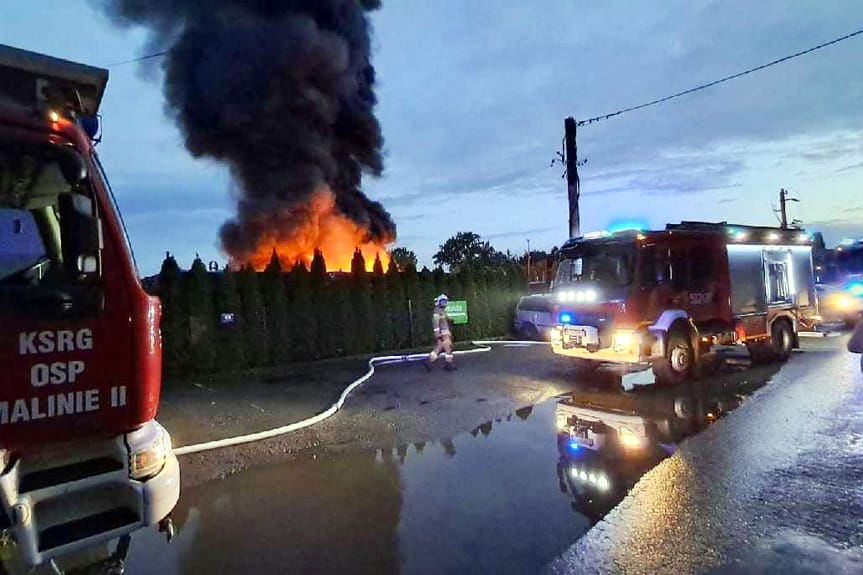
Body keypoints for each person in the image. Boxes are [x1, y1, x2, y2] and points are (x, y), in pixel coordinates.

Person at [425, 293, 457, 371]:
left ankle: (429, 361)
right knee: (447, 347)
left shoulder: (442, 311)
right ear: (439, 302)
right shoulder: (437, 311)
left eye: (445, 301)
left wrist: (450, 320)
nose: (444, 303)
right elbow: (435, 322)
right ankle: (448, 364)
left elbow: (446, 319)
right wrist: (437, 333)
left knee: (441, 347)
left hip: (445, 332)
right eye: (443, 301)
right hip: (442, 333)